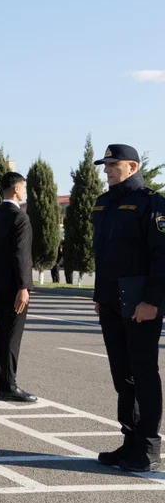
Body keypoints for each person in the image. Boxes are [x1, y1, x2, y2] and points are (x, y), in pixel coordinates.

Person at [91, 144, 165, 472]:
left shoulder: (152, 203)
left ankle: (148, 447)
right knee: (123, 375)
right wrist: (98, 295)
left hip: (140, 304)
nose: (106, 169)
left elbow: (162, 257)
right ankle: (130, 440)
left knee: (144, 374)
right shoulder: (104, 203)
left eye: (112, 164)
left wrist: (152, 301)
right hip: (110, 301)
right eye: (104, 164)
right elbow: (103, 255)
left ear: (132, 166)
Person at [0, 171, 37, 403]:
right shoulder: (20, 217)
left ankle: (2, 383)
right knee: (12, 335)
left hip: (0, 283)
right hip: (15, 286)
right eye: (23, 187)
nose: (24, 190)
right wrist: (23, 286)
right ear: (16, 189)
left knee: (3, 333)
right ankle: (9, 386)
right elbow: (21, 255)